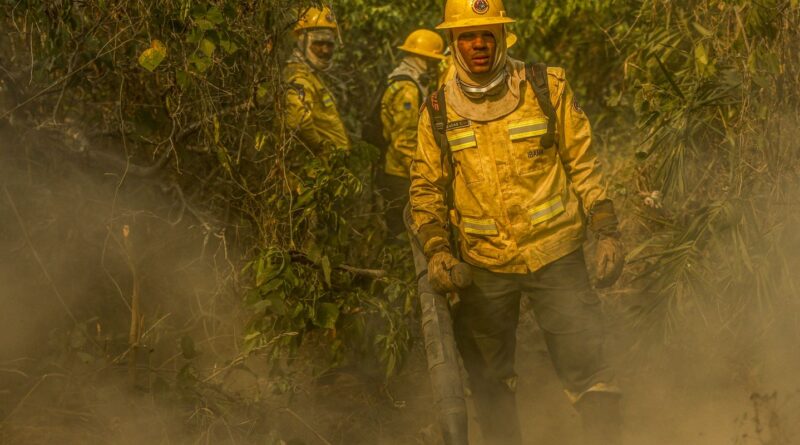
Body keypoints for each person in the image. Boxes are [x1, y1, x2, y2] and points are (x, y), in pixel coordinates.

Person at [408, 0, 626, 444]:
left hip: (556, 253)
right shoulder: (438, 110)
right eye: (467, 36)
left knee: (590, 369)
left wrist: (606, 232)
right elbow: (426, 187)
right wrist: (437, 250)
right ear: (453, 42)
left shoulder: (546, 86)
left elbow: (584, 164)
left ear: (502, 37)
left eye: (486, 34)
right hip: (484, 264)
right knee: (489, 381)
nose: (478, 44)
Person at [379, 29, 445, 236]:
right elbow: (403, 140)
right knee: (405, 234)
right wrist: (422, 174)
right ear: (423, 59)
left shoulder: (403, 79)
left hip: (399, 171)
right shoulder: (408, 88)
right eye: (432, 62)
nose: (434, 67)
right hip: (401, 174)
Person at [284, 6, 349, 155]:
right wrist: (320, 148)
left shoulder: (311, 74)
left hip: (328, 164)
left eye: (329, 44)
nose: (325, 50)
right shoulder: (299, 75)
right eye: (318, 43)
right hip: (315, 166)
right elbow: (297, 120)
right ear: (303, 42)